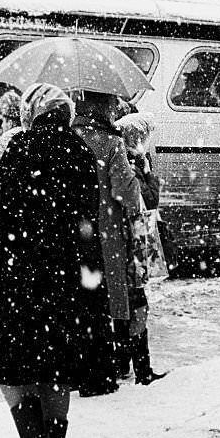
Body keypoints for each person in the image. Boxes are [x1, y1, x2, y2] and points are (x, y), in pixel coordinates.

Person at [0, 83, 101, 438]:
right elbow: (87, 219)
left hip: (21, 275)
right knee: (54, 370)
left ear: (33, 111)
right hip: (65, 277)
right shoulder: (82, 152)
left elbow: (2, 212)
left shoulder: (20, 147)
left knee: (11, 372)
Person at [72, 91, 142, 396]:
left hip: (72, 230)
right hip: (104, 230)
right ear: (103, 108)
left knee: (76, 299)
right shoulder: (111, 142)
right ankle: (109, 364)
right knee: (107, 298)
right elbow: (125, 192)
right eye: (111, 105)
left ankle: (75, 364)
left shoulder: (68, 137)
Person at [115, 112, 168, 386]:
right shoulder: (131, 164)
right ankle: (141, 369)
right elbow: (146, 200)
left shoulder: (123, 159)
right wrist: (148, 175)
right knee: (137, 303)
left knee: (129, 303)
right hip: (132, 243)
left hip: (125, 242)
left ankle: (125, 364)